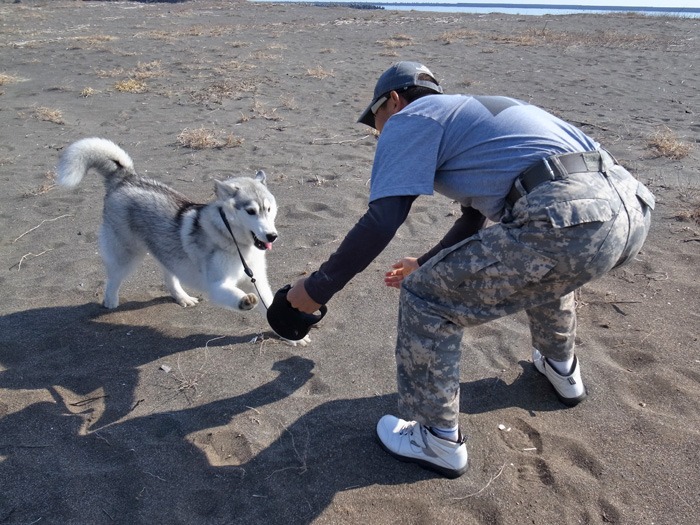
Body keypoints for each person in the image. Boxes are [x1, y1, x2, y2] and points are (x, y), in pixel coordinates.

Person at [286, 61, 654, 479]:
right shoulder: (471, 114)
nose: (379, 133)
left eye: (377, 121)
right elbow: (473, 220)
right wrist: (424, 262)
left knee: (426, 298)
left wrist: (315, 291)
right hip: (630, 208)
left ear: (393, 100)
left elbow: (381, 221)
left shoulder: (411, 117)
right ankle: (560, 368)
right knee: (549, 265)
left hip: (566, 212)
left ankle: (437, 439)